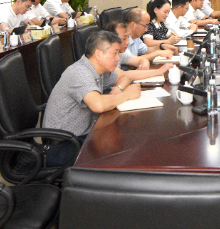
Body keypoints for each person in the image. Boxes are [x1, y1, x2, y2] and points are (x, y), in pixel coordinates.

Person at [40, 30, 143, 166]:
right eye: (115, 53)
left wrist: (118, 89)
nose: (118, 59)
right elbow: (98, 105)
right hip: (63, 145)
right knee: (116, 156)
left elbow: (124, 77)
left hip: (82, 134)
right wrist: (126, 95)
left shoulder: (98, 70)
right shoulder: (80, 73)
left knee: (124, 140)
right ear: (98, 54)